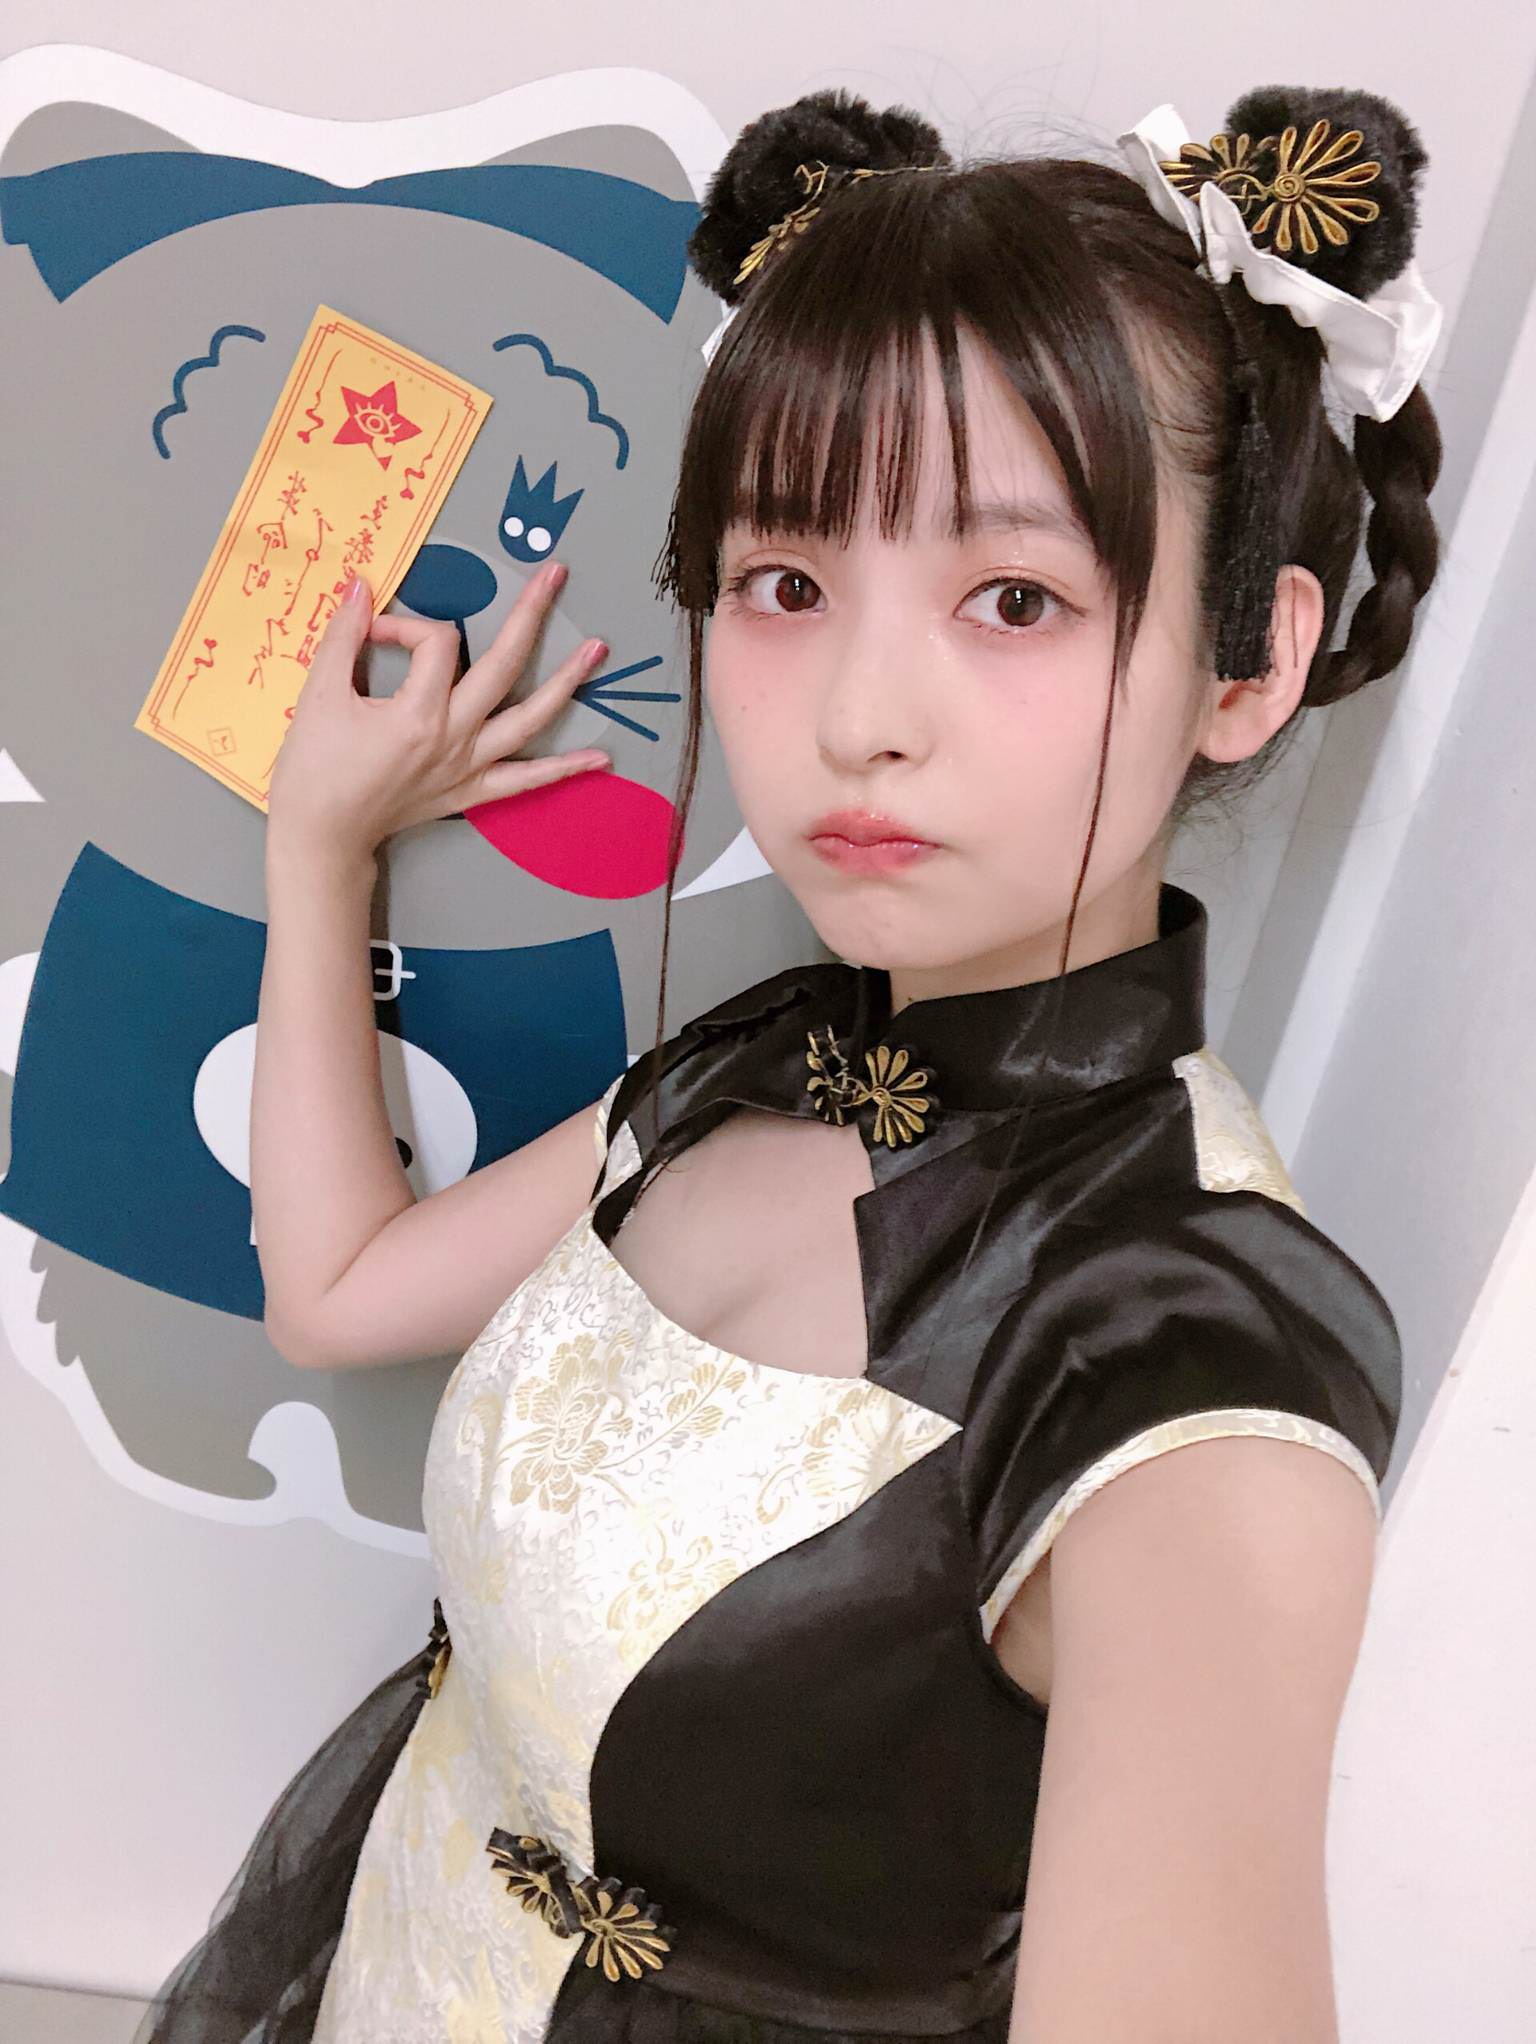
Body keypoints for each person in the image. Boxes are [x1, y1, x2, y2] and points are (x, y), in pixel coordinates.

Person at [135, 77, 1445, 2044]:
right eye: (786, 583)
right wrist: (321, 848)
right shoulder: (749, 1065)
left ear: (1245, 663)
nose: (854, 712)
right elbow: (337, 1288)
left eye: (1014, 597)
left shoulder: (1188, 1372)